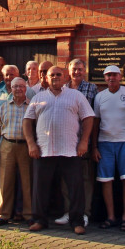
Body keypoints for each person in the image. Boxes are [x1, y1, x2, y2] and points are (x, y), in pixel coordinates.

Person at [23, 66, 94, 235]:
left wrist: (84, 141)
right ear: (46, 78)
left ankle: (77, 221)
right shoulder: (38, 97)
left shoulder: (76, 96)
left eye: (58, 74)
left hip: (70, 150)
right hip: (44, 150)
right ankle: (39, 220)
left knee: (75, 188)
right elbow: (27, 121)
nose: (55, 77)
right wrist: (31, 144)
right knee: (40, 188)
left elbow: (89, 117)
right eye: (51, 75)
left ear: (65, 77)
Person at [92, 65, 125, 231]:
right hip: (105, 143)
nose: (111, 78)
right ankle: (110, 217)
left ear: (120, 76)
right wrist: (94, 146)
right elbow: (96, 121)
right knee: (106, 181)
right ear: (104, 78)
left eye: (114, 75)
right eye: (108, 75)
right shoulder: (99, 97)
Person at [56, 58, 98, 226]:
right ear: (69, 70)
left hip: (83, 139)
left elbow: (94, 118)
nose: (77, 72)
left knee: (85, 177)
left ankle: (84, 213)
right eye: (74, 69)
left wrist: (89, 142)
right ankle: (69, 211)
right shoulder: (63, 89)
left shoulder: (92, 88)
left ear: (84, 71)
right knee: (66, 177)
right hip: (66, 140)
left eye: (80, 69)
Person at [0, 77, 31, 225]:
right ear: (11, 89)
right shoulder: (4, 106)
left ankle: (28, 214)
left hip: (25, 146)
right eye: (15, 87)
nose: (18, 89)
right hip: (6, 145)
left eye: (21, 86)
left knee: (27, 181)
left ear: (25, 88)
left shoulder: (31, 106)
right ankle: (3, 214)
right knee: (5, 181)